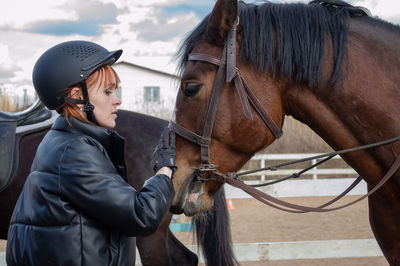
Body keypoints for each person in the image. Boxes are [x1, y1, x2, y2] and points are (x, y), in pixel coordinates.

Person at [6, 40, 176, 266]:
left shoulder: (60, 140)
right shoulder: (75, 151)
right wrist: (164, 170)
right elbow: (141, 216)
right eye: (107, 92)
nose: (117, 99)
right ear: (77, 96)